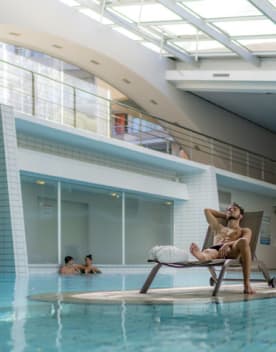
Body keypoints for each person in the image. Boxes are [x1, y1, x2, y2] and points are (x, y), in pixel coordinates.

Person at [189, 203, 254, 294]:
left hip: (232, 250)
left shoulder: (244, 230)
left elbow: (246, 241)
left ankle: (247, 284)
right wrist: (227, 215)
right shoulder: (218, 227)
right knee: (208, 251)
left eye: (234, 209)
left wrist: (228, 244)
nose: (230, 210)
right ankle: (202, 256)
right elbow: (206, 210)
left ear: (241, 215)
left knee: (242, 241)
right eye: (228, 209)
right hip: (216, 251)